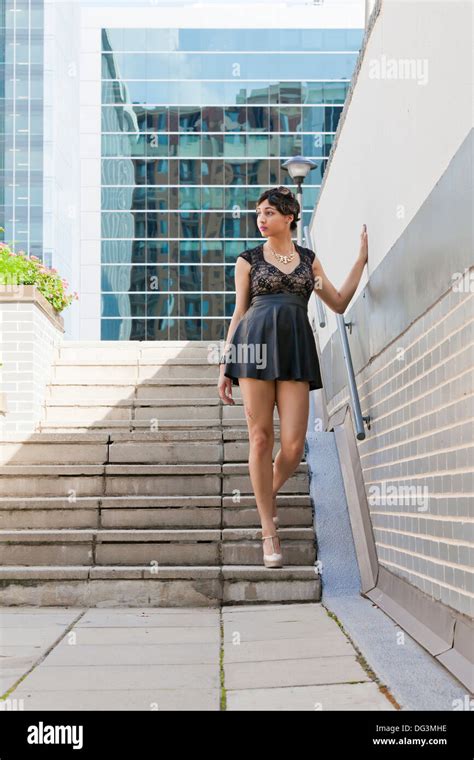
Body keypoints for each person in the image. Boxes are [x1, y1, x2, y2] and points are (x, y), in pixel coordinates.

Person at [217, 186, 368, 568]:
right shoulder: (248, 260)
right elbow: (238, 312)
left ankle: (262, 495)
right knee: (261, 436)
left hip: (296, 347)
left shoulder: (308, 263)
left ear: (289, 216)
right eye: (258, 213)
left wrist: (361, 260)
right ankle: (269, 531)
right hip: (253, 346)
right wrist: (225, 364)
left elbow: (337, 302)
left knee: (294, 445)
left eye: (268, 213)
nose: (261, 220)